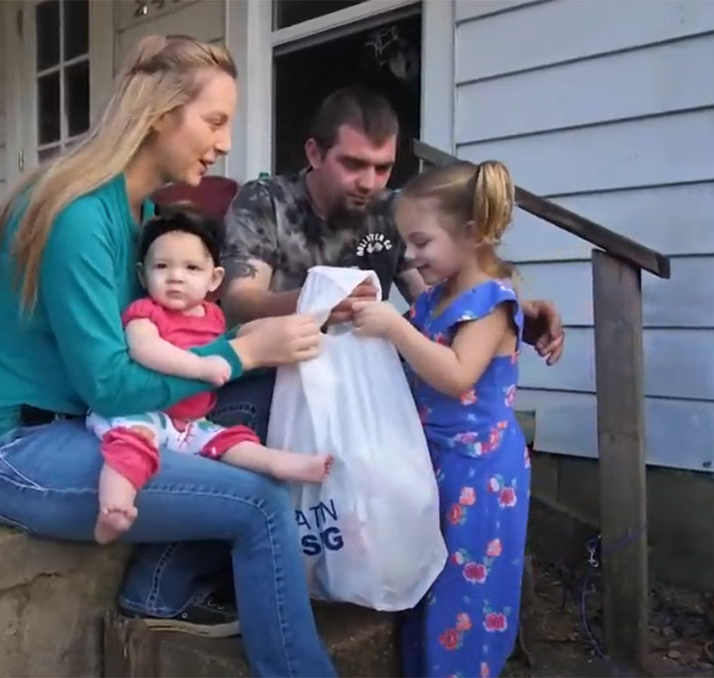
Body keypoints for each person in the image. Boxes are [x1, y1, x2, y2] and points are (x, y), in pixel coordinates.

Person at [0, 34, 337, 677]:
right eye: (214, 121)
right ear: (160, 115)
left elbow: (166, 349)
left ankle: (159, 587)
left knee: (263, 398)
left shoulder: (145, 214)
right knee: (259, 503)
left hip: (96, 425)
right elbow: (109, 383)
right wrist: (240, 351)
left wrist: (271, 346)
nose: (226, 141)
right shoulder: (79, 213)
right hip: (18, 449)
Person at [216, 86, 565, 441]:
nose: (369, 183)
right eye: (353, 164)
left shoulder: (394, 211)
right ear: (315, 154)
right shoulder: (265, 201)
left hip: (365, 375)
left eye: (383, 168)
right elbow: (241, 301)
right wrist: (320, 302)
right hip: (278, 370)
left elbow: (433, 299)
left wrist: (509, 312)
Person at [351, 159, 530, 678]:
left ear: (471, 234)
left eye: (421, 242)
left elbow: (456, 375)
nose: (409, 255)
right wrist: (368, 311)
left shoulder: (492, 304)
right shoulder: (435, 298)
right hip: (437, 461)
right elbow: (405, 349)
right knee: (426, 579)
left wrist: (393, 329)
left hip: (481, 470)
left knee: (465, 592)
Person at [88, 210, 333, 544]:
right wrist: (200, 367)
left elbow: (231, 341)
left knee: (231, 440)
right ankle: (114, 509)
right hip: (139, 413)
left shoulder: (213, 316)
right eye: (162, 267)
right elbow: (145, 350)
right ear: (142, 276)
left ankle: (282, 464)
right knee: (131, 449)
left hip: (191, 422)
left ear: (214, 279)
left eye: (191, 268)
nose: (175, 277)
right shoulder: (145, 313)